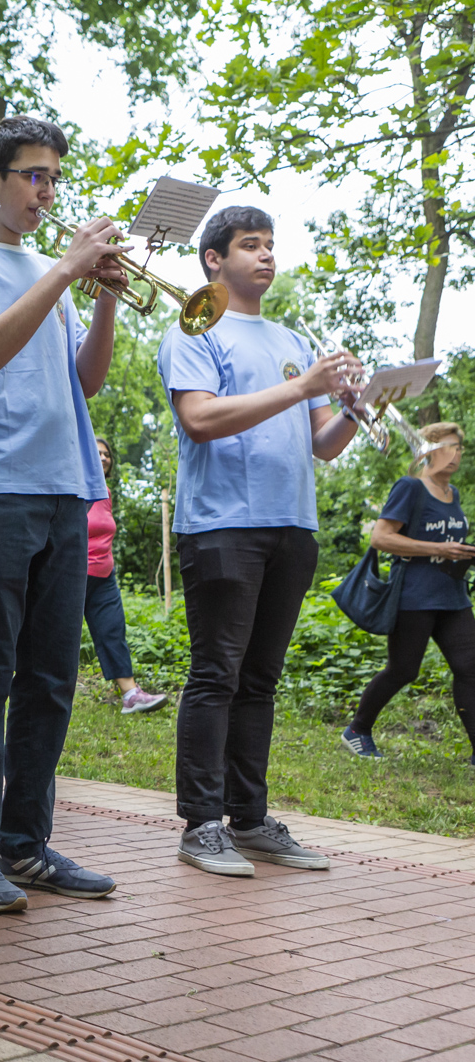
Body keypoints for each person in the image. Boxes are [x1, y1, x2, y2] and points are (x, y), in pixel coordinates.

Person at [0, 116, 131, 913]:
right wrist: (69, 268)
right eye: (33, 176)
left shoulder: (51, 268)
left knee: (50, 678)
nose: (46, 191)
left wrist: (102, 300)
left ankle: (25, 843)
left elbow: (88, 380)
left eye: (52, 178)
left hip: (62, 488)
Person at [159, 204, 360, 877]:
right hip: (221, 525)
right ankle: (201, 825)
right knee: (217, 673)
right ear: (214, 259)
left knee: (261, 680)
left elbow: (322, 444)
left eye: (271, 244)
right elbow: (201, 419)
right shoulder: (194, 327)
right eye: (251, 245)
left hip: (292, 525)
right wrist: (302, 385)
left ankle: (248, 820)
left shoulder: (292, 338)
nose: (266, 255)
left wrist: (357, 410)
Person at [343, 423, 475, 761]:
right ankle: (357, 730)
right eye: (448, 446)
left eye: (459, 448)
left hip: (453, 595)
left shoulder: (453, 494)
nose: (455, 454)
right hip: (414, 597)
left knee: (470, 666)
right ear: (427, 449)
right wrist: (439, 548)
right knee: (403, 670)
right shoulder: (410, 488)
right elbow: (381, 538)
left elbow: (446, 545)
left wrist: (459, 553)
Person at [87, 440, 167, 714]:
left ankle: (131, 695)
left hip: (103, 575)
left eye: (106, 454)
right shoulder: (74, 488)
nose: (103, 458)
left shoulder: (105, 492)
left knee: (112, 631)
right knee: (56, 638)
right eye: (96, 452)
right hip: (72, 573)